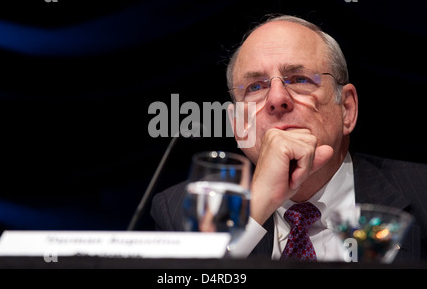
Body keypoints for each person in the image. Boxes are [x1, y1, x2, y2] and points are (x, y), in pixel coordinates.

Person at [150, 14, 427, 263]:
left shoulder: (421, 191)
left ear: (347, 110)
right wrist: (256, 206)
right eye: (255, 86)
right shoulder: (182, 210)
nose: (277, 99)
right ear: (238, 126)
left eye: (299, 79)